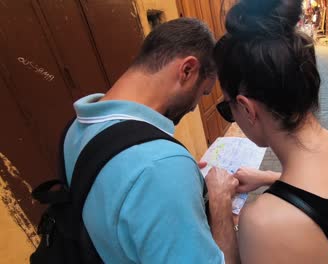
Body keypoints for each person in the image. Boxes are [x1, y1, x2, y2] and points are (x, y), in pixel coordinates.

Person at [214, 0, 328, 263]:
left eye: (227, 107)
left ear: (246, 108)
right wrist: (270, 177)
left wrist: (221, 208)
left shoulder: (265, 223)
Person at [64, 18, 239, 263]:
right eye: (203, 92)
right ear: (187, 70)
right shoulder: (160, 165)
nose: (194, 107)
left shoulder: (77, 128)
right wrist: (220, 200)